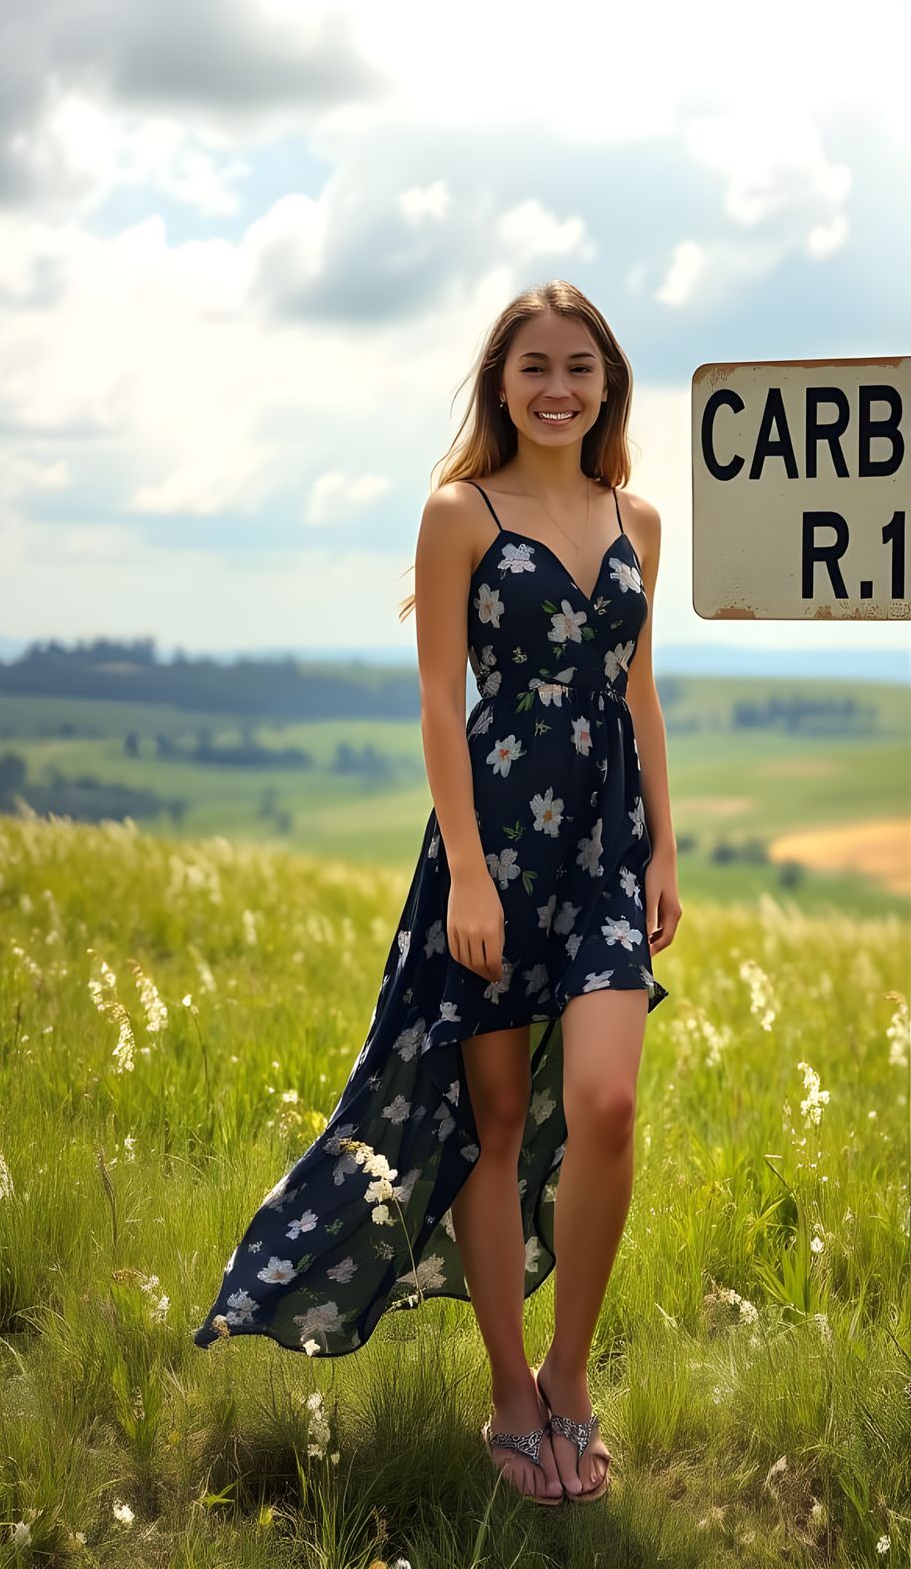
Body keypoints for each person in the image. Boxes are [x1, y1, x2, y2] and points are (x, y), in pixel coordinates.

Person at [192, 279, 681, 1507]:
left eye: (580, 365)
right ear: (500, 384)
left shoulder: (642, 519)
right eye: (535, 366)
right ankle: (513, 1394)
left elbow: (637, 694)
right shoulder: (459, 513)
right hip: (494, 848)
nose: (558, 386)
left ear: (608, 382)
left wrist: (664, 850)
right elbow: (438, 700)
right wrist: (465, 867)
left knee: (608, 1098)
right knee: (498, 1115)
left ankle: (573, 1372)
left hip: (604, 848)